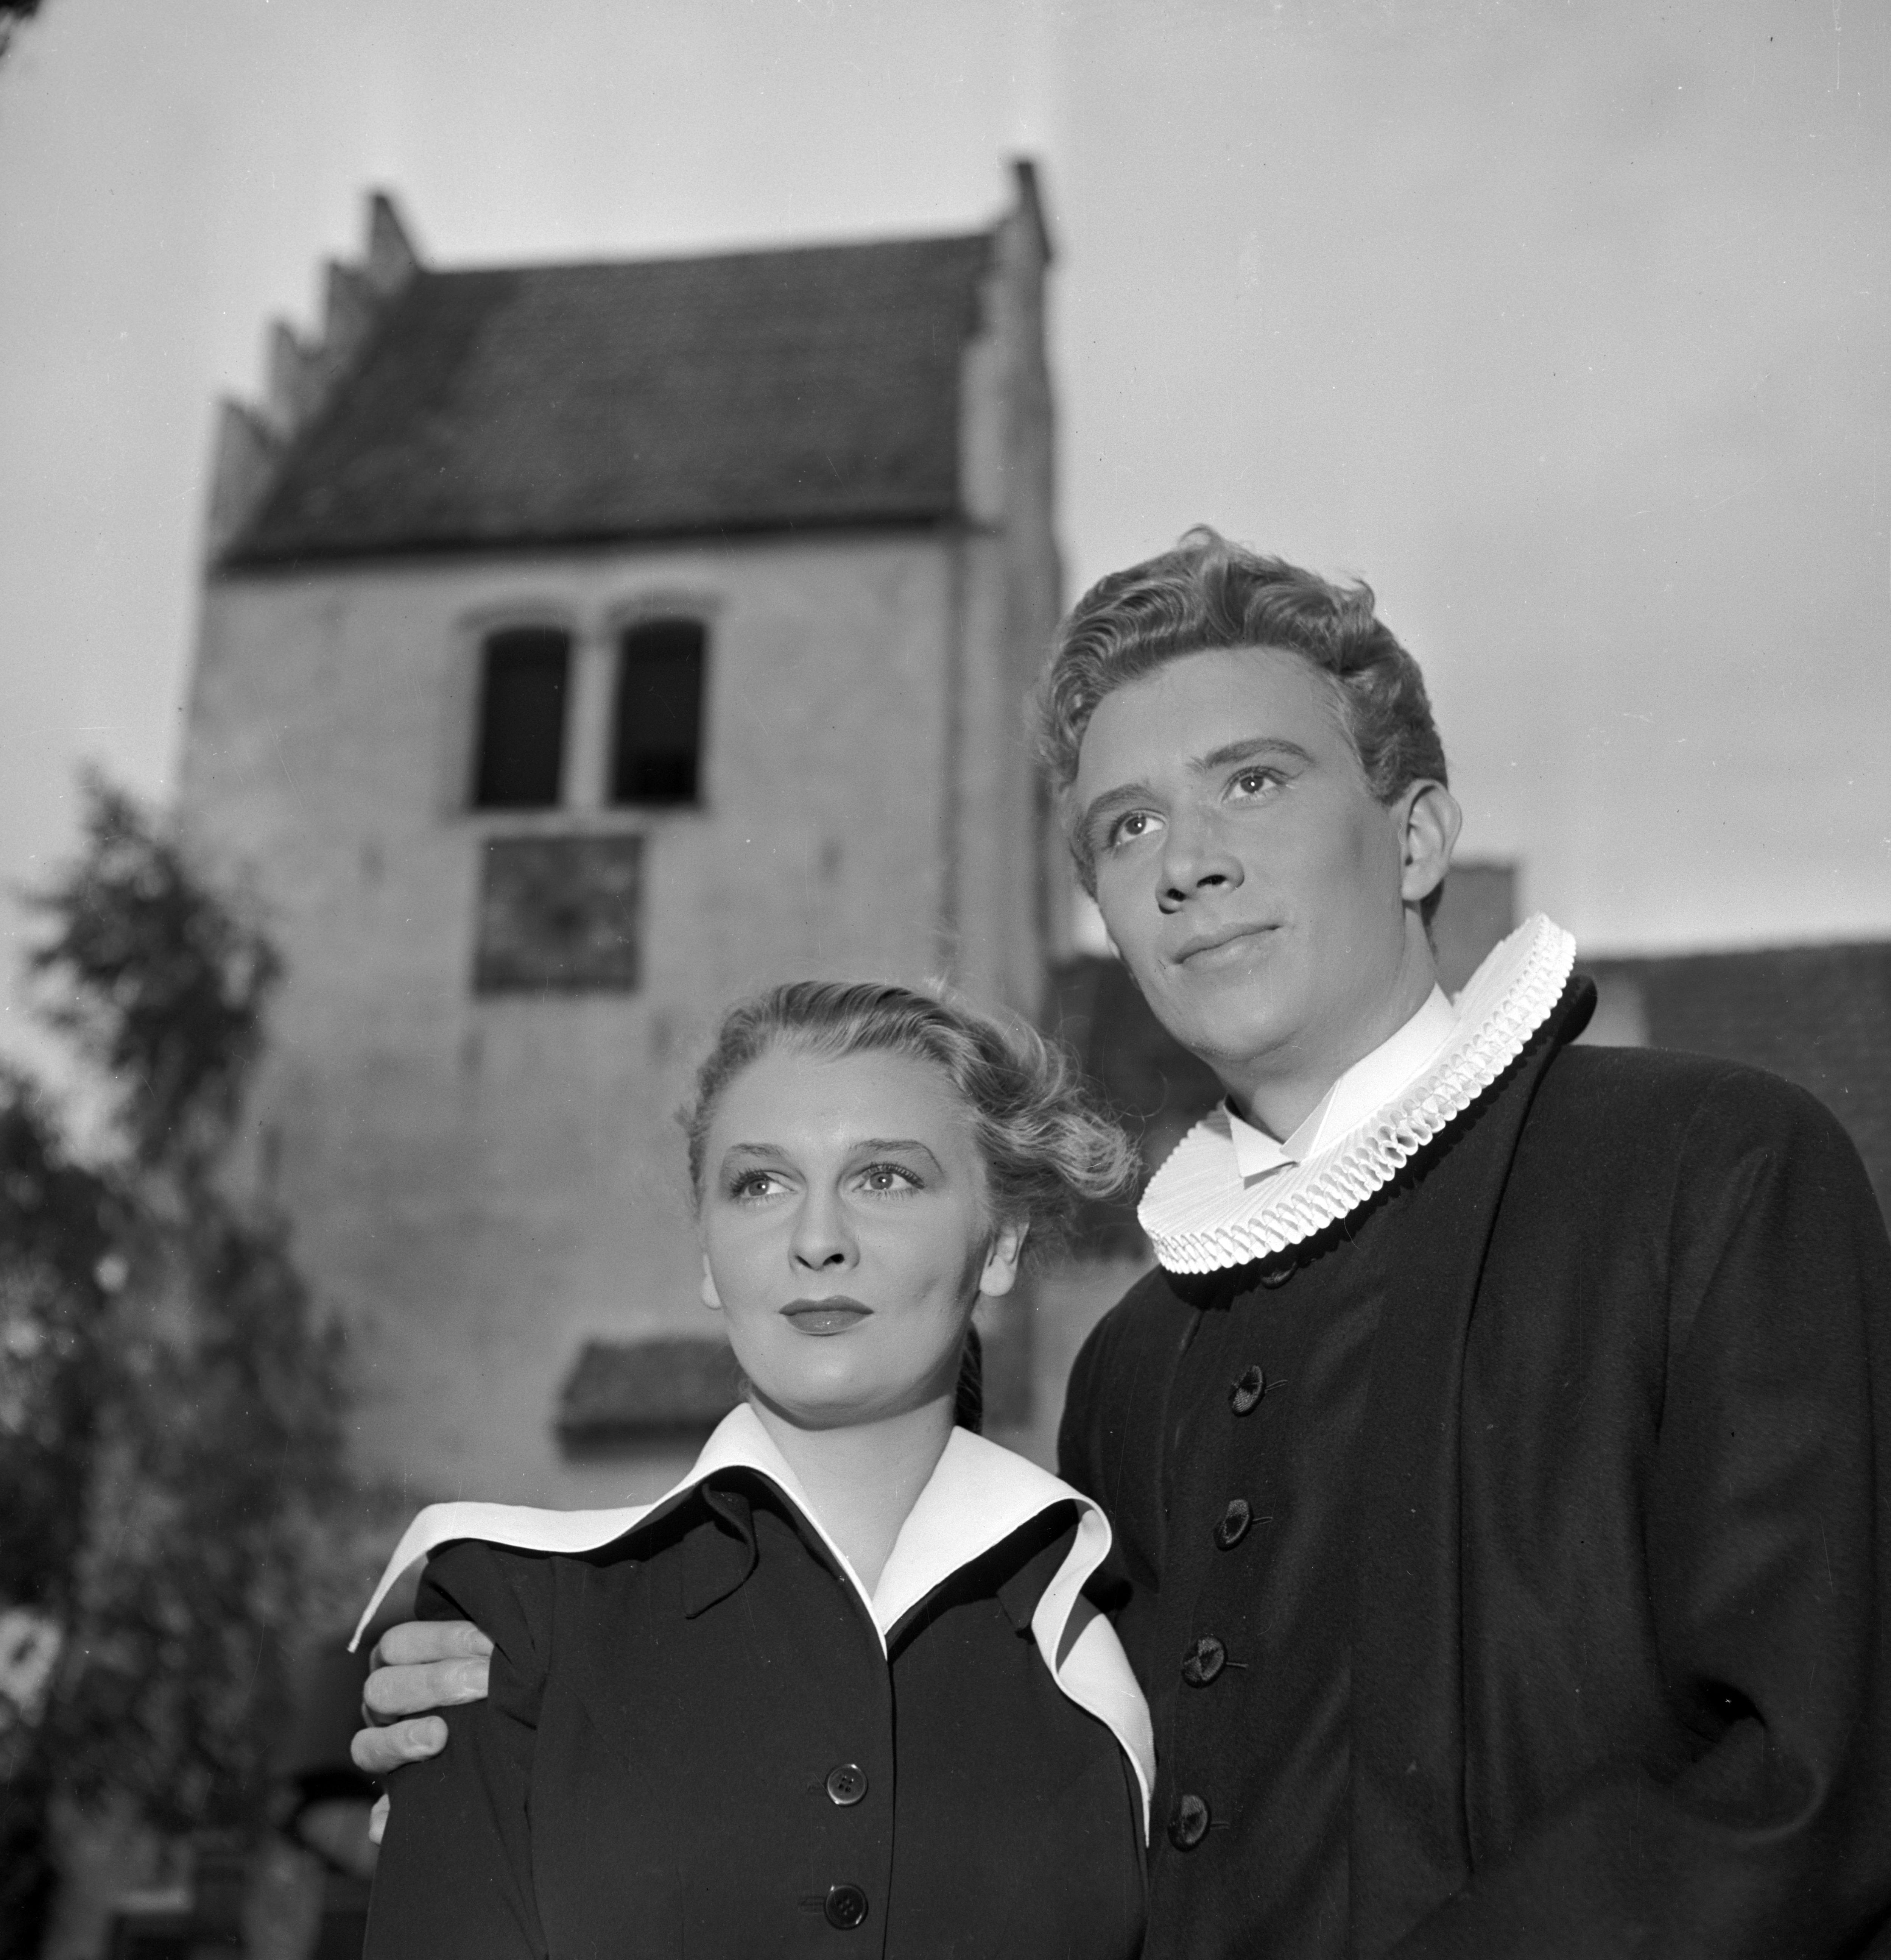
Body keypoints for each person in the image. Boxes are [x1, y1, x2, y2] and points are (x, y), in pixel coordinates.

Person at [357, 530, 1891, 1956]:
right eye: (1128, 823)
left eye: (1256, 781)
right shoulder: (1137, 1360)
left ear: (1417, 832)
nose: (1188, 858)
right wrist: (558, 1703)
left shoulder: (1711, 1168)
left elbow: (1823, 1773)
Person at [354, 979, 1152, 1958]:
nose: (816, 1240)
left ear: (1001, 1241)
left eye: (885, 1178)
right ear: (706, 1250)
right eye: (759, 1185)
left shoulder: (1107, 1650)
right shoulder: (514, 1614)